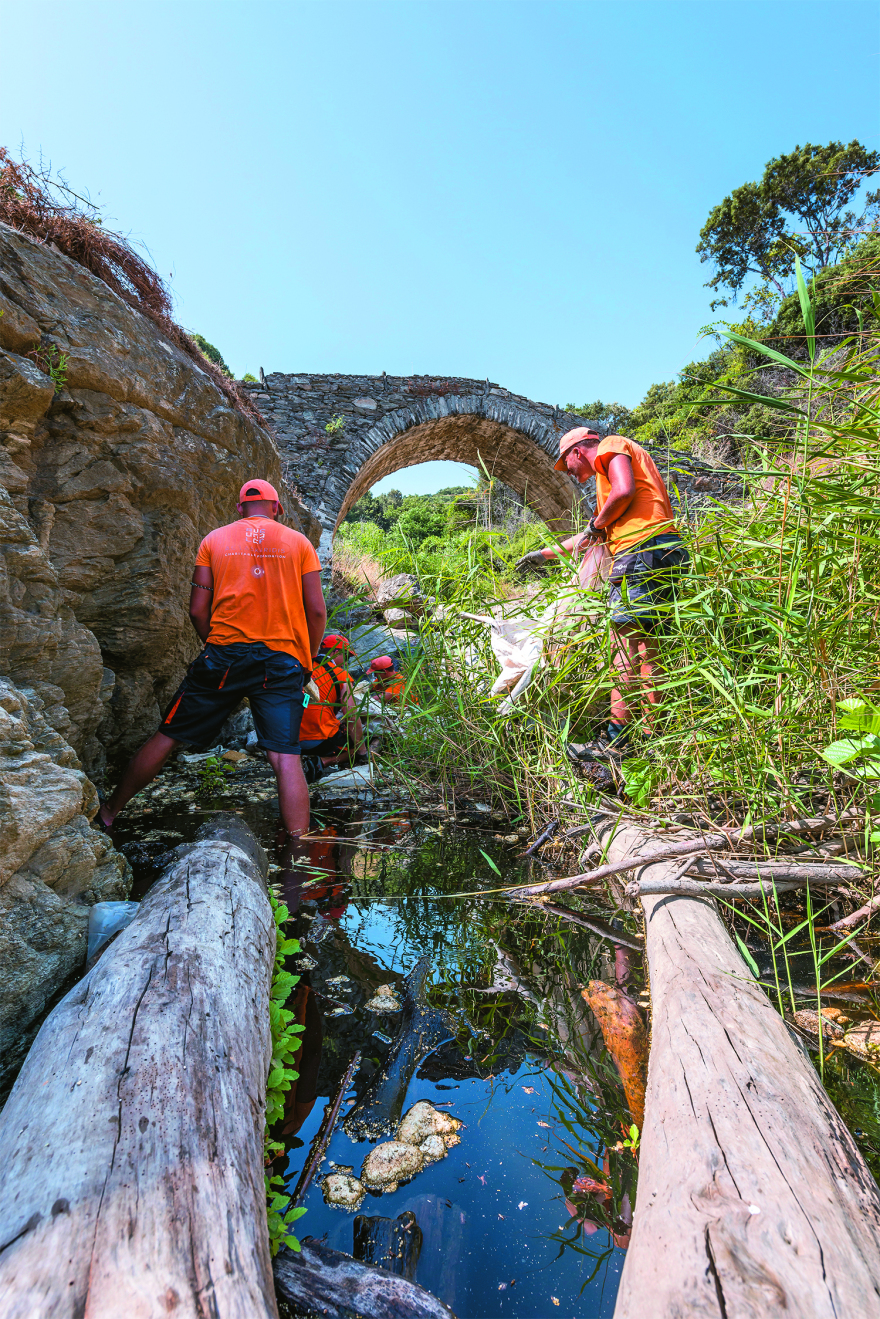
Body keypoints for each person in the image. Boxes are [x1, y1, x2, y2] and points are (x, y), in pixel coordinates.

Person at [95, 478, 326, 837]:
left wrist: (214, 644)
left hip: (223, 657)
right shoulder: (299, 544)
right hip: (282, 661)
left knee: (168, 735)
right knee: (285, 756)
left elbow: (197, 609)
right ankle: (300, 849)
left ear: (239, 509)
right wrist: (306, 660)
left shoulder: (213, 541)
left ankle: (109, 813)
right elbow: (316, 611)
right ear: (277, 508)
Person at [519, 427, 688, 756]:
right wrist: (544, 555)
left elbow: (623, 492)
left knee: (622, 650)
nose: (569, 472)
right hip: (663, 551)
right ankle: (653, 743)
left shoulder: (611, 447)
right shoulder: (605, 487)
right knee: (647, 652)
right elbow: (590, 535)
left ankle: (614, 741)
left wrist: (597, 525)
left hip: (639, 552)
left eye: (567, 464)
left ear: (578, 452)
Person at [299, 633, 366, 780]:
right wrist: (361, 750)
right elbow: (351, 715)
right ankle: (322, 762)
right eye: (347, 656)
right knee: (366, 743)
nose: (347, 662)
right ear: (336, 652)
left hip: (287, 739)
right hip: (318, 739)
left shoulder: (299, 666)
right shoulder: (341, 675)